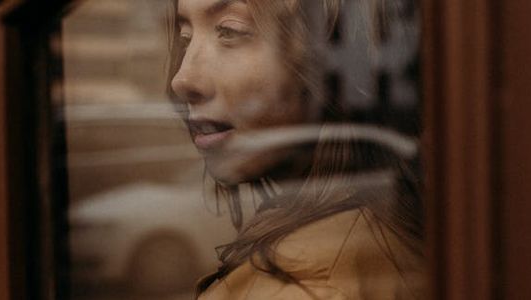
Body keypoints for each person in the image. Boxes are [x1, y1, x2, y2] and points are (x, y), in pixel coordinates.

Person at [166, 0, 424, 298]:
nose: (182, 79)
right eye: (185, 37)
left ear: (335, 57)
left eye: (229, 30)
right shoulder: (371, 238)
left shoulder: (309, 287)